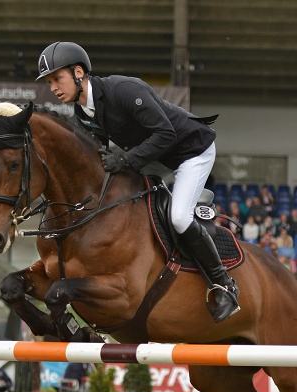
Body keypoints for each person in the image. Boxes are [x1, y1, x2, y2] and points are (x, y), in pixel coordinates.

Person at [37, 41, 238, 322]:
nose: (54, 87)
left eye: (57, 78)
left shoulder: (124, 89)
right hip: (155, 154)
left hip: (190, 151)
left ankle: (224, 285)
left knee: (179, 218)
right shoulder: (82, 114)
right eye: (49, 82)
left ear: (79, 72)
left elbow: (165, 134)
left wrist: (127, 160)